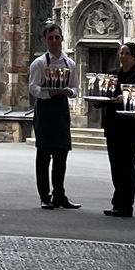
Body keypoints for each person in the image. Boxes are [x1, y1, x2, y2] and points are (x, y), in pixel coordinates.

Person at [28, 22, 79, 208]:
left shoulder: (70, 64)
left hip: (61, 110)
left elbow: (75, 88)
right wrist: (50, 93)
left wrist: (69, 92)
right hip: (45, 109)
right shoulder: (39, 63)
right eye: (51, 38)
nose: (55, 41)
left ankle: (59, 194)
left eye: (57, 37)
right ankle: (44, 195)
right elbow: (33, 88)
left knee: (61, 156)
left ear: (62, 39)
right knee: (43, 155)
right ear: (45, 41)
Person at [101, 40, 135, 218]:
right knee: (115, 165)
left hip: (130, 127)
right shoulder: (113, 74)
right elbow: (102, 98)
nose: (123, 56)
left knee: (127, 165)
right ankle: (118, 202)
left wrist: (127, 98)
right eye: (121, 53)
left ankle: (125, 205)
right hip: (114, 126)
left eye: (127, 53)